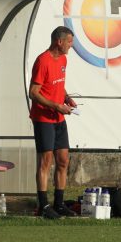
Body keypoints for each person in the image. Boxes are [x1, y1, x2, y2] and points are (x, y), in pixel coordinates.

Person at [29, 26, 78, 219]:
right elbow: (33, 92)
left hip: (59, 117)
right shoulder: (43, 60)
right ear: (59, 41)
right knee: (45, 161)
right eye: (69, 42)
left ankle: (59, 204)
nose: (71, 46)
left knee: (63, 160)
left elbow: (57, 83)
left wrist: (66, 98)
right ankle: (43, 206)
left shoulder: (64, 59)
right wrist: (56, 106)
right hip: (43, 118)